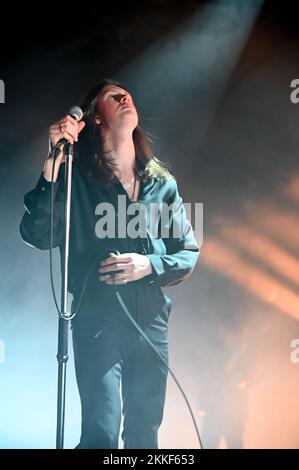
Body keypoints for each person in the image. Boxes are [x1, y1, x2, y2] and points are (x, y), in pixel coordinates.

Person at [19, 78, 199, 449]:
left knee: (144, 433)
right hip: (97, 315)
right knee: (101, 430)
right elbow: (38, 234)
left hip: (150, 319)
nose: (124, 97)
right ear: (95, 118)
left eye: (127, 93)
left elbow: (186, 253)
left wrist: (147, 264)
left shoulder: (161, 183)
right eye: (112, 97)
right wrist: (52, 164)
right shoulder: (78, 177)